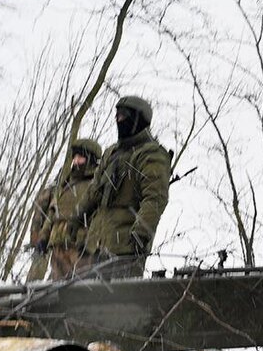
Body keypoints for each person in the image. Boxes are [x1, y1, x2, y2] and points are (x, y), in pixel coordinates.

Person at [74, 96, 172, 279]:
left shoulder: (151, 153)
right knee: (85, 303)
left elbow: (154, 198)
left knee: (117, 304)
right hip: (96, 245)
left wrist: (140, 234)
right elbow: (94, 191)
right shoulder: (111, 153)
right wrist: (77, 218)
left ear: (138, 119)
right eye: (117, 116)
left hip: (125, 249)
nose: (119, 121)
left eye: (124, 116)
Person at [42, 139, 101, 280]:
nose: (76, 161)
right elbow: (52, 213)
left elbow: (100, 217)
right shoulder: (65, 183)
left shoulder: (96, 184)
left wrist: (90, 244)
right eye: (74, 157)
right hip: (58, 245)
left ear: (91, 159)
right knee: (54, 290)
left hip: (80, 247)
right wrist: (43, 238)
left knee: (79, 290)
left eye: (80, 157)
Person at [25, 184, 54, 282]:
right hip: (45, 235)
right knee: (39, 265)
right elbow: (38, 216)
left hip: (53, 234)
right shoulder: (52, 191)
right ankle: (31, 291)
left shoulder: (55, 190)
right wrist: (35, 235)